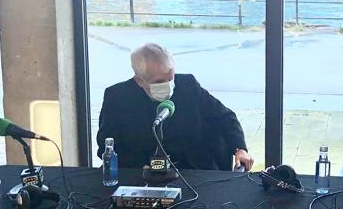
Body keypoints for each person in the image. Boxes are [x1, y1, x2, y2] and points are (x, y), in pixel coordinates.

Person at [95, 43, 253, 171]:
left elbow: (225, 117)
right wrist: (138, 167)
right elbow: (106, 144)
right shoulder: (116, 96)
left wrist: (240, 149)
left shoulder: (188, 85)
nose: (168, 85)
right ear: (140, 80)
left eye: (170, 78)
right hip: (142, 172)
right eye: (159, 82)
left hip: (193, 169)